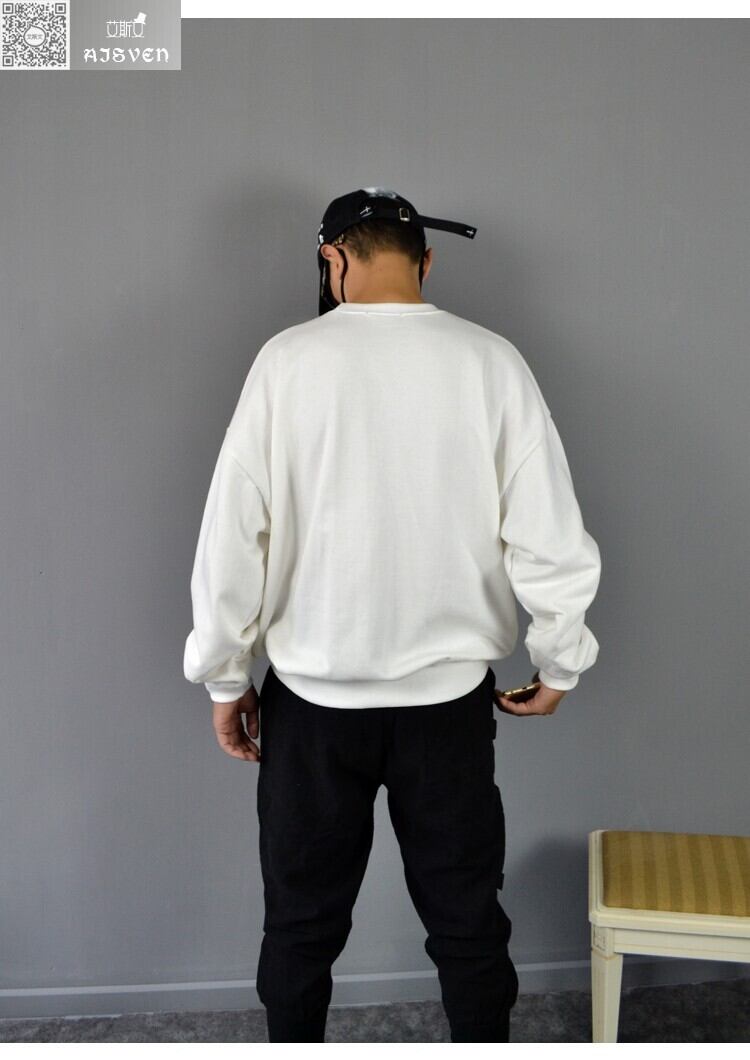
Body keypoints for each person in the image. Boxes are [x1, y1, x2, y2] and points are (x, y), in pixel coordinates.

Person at [183, 187, 602, 1043]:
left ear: (332, 258)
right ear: (427, 261)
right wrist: (561, 658)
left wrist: (225, 677)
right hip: (446, 708)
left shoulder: (287, 361)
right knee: (467, 922)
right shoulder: (491, 361)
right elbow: (548, 532)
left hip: (313, 706)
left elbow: (233, 535)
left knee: (299, 926)